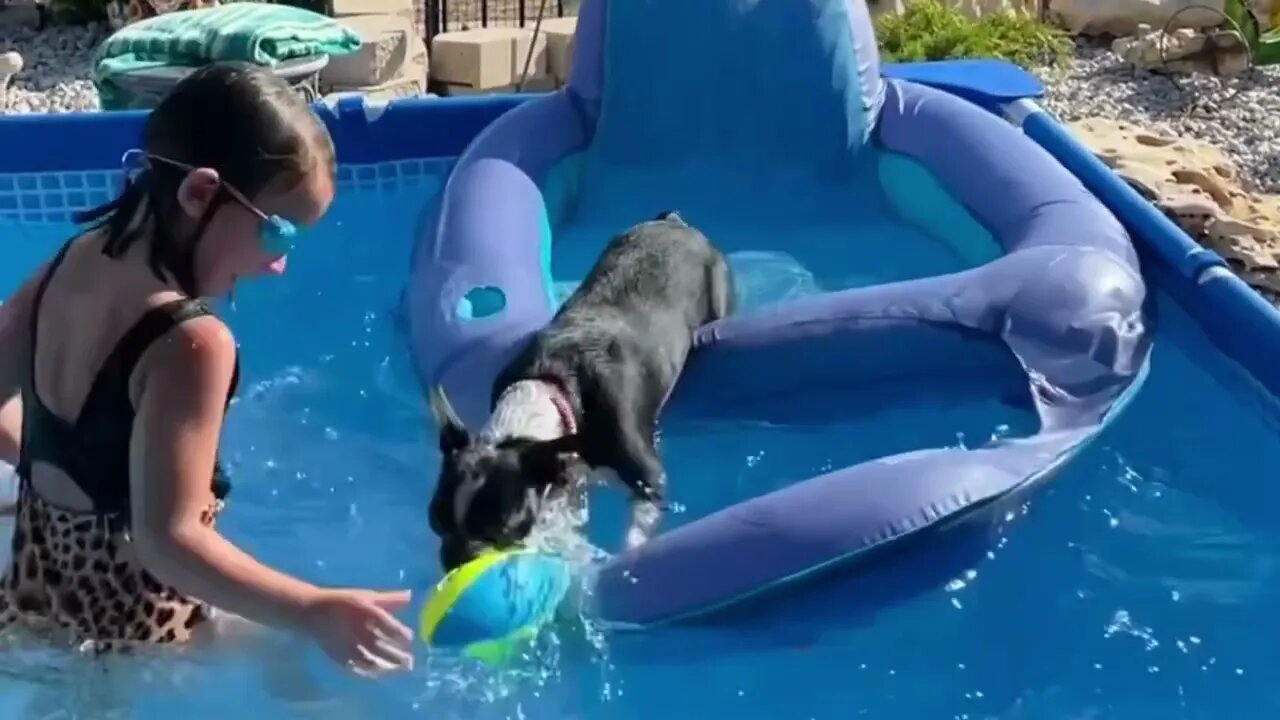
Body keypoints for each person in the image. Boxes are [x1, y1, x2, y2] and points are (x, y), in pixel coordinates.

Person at [0, 62, 413, 677]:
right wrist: (313, 609)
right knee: (304, 681)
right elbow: (168, 543)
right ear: (200, 193)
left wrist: (64, 483)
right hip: (141, 629)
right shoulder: (191, 342)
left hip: (34, 592)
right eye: (279, 235)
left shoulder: (76, 256)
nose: (278, 267)